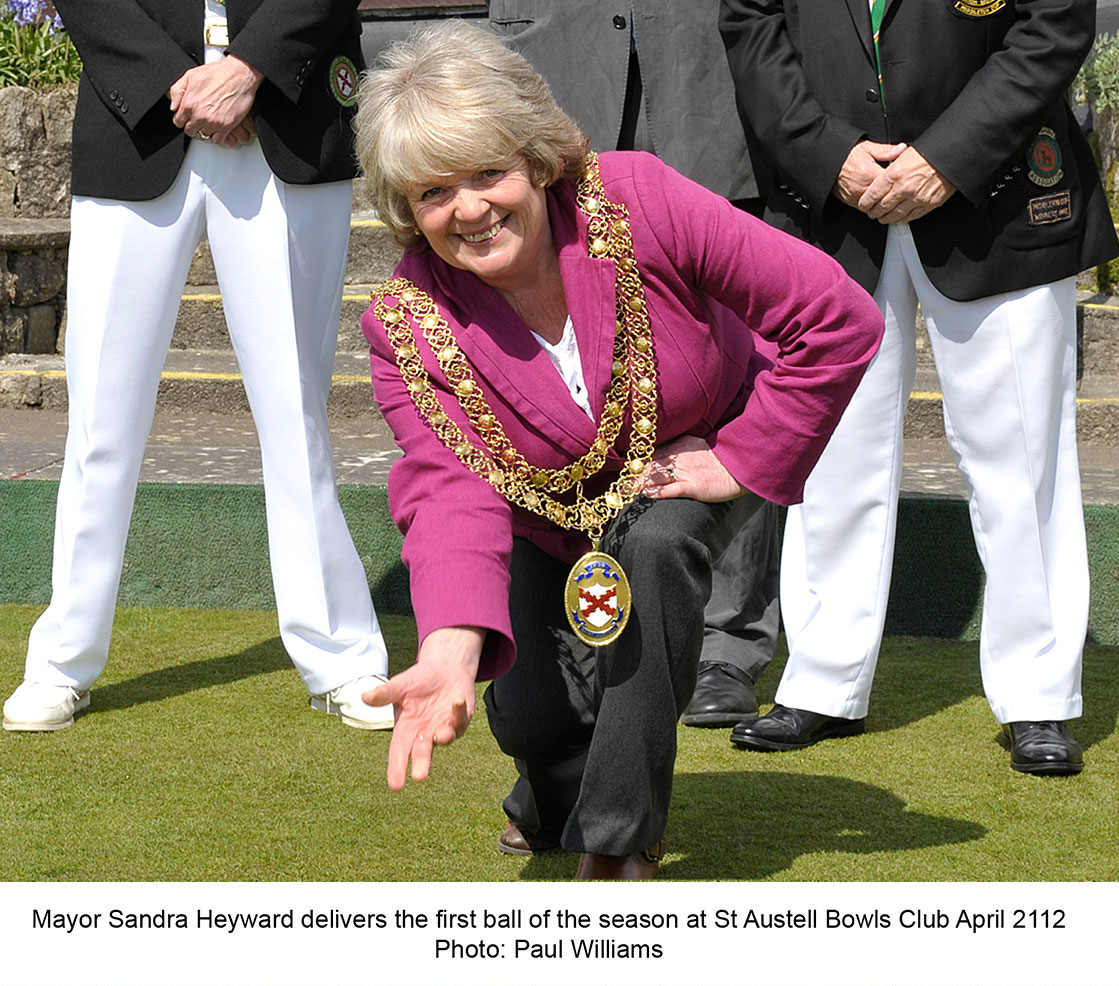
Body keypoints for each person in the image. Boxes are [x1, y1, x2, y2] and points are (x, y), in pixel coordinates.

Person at [354, 21, 882, 879]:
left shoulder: (639, 197)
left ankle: (619, 838)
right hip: (541, 516)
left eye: (489, 172)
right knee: (528, 715)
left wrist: (743, 458)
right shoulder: (404, 326)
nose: (471, 209)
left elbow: (839, 317)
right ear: (407, 210)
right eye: (434, 192)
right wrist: (449, 643)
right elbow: (448, 488)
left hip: (686, 468)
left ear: (536, 159)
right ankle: (551, 787)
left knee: (655, 551)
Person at [720, 0, 1119, 774]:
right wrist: (824, 152)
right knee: (829, 453)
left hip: (998, 198)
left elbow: (1054, 24)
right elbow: (750, 22)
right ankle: (821, 683)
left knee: (1022, 457)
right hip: (830, 203)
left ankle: (1038, 693)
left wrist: (947, 158)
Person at [2, 0, 394, 734]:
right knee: (101, 421)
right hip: (138, 125)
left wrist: (252, 68)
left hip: (289, 112)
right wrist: (174, 84)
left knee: (295, 413)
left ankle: (339, 654)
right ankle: (61, 660)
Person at [487, 0, 778, 730]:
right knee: (557, 372)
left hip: (707, 70)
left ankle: (727, 644)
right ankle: (574, 654)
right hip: (553, 57)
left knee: (726, 376)